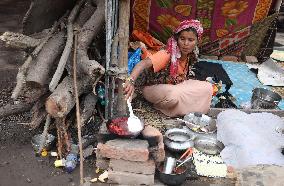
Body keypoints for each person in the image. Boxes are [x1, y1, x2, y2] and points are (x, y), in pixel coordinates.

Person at [123, 20, 213, 117]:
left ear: (197, 41)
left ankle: (183, 106)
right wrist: (130, 81)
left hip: (175, 86)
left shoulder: (192, 54)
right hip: (152, 89)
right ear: (177, 39)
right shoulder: (167, 54)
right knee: (173, 95)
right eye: (182, 39)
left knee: (207, 87)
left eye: (191, 40)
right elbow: (142, 64)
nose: (186, 43)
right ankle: (163, 107)